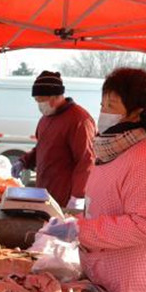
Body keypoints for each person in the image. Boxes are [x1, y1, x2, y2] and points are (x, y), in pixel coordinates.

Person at [44, 68, 146, 292]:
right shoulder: (118, 144)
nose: (103, 111)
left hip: (132, 276)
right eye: (102, 104)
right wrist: (77, 221)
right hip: (104, 268)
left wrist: (79, 230)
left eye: (112, 105)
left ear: (138, 111)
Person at [11, 71, 96, 208]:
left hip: (65, 196)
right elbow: (42, 147)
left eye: (41, 100)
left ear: (56, 96)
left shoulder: (79, 120)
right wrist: (24, 161)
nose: (39, 104)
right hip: (44, 192)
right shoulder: (46, 118)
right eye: (36, 100)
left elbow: (86, 160)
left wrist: (77, 197)